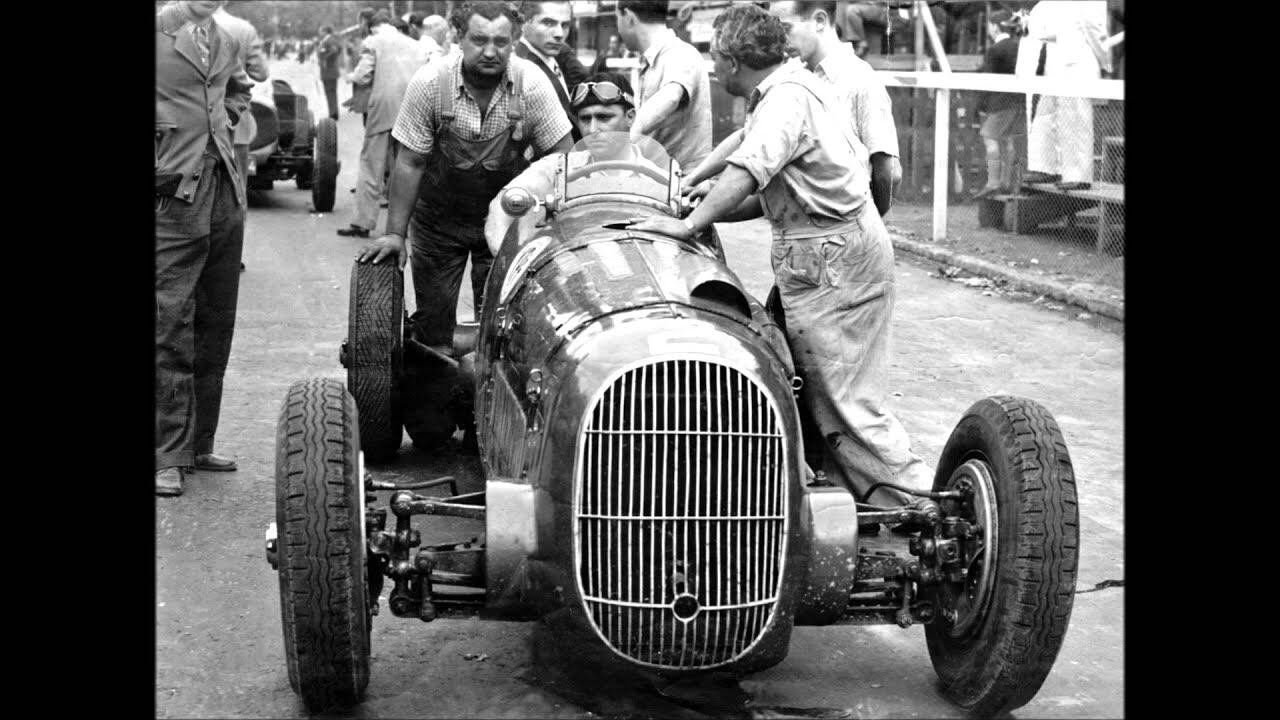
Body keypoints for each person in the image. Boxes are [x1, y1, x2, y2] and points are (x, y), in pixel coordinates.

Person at [628, 3, 934, 525]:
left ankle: (924, 509)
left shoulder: (788, 100)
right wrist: (693, 193)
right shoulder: (785, 87)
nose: (713, 68)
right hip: (825, 252)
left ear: (730, 62)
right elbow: (758, 178)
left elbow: (748, 171)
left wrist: (688, 224)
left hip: (834, 259)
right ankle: (854, 506)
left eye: (715, 59)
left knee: (848, 406)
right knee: (820, 399)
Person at [355, 0, 572, 348]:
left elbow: (563, 158)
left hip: (507, 222)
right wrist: (395, 234)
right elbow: (410, 162)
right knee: (434, 327)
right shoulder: (429, 83)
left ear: (514, 40)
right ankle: (437, 383)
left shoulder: (532, 85)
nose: (490, 51)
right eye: (479, 40)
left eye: (501, 42)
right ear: (458, 37)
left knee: (507, 326)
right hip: (439, 223)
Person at [155, 0, 254, 496]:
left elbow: (238, 89)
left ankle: (198, 443)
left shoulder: (227, 38)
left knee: (216, 320)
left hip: (223, 190)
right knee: (169, 323)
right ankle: (165, 455)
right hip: (169, 196)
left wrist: (223, 126)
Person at [685, 1, 902, 218]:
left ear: (819, 21)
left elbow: (889, 173)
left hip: (843, 230)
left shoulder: (859, 81)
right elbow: (748, 138)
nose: (779, 40)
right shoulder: (794, 72)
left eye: (786, 29)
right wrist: (697, 181)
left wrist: (871, 219)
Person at [485, 72, 659, 253]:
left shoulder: (659, 179)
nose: (592, 129)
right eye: (585, 119)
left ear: (630, 117)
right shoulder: (558, 168)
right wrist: (511, 266)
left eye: (604, 117)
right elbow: (503, 205)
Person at [336, 10, 430, 238]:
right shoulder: (416, 45)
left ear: (369, 25)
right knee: (405, 166)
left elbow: (362, 76)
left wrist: (349, 76)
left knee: (371, 165)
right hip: (411, 109)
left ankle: (362, 223)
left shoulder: (373, 41)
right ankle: (404, 228)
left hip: (382, 111)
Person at [1018, 1, 1110, 188]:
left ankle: (1079, 177)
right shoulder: (1045, 4)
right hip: (1052, 65)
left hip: (1077, 65)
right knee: (1044, 118)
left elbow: (1096, 32)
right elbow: (1037, 30)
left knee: (1075, 121)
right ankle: (1045, 168)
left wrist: (1105, 63)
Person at [616, 0, 712, 172]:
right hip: (660, 181)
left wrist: (627, 140)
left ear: (628, 17)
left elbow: (671, 96)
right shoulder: (654, 60)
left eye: (617, 19)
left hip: (682, 187)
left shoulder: (679, 53)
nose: (617, 29)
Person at [515, 2, 585, 141]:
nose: (559, 34)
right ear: (523, 22)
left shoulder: (547, 57)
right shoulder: (522, 67)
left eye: (565, 25)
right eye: (548, 23)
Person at [973, 9, 1024, 198]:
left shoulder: (995, 50)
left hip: (1000, 104)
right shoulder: (1018, 46)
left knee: (989, 136)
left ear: (994, 27)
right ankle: (1007, 181)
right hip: (1018, 102)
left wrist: (979, 106)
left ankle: (993, 182)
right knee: (1008, 140)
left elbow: (988, 81)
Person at [344, 8, 378, 126]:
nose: (359, 26)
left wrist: (350, 77)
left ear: (364, 22)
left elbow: (363, 74)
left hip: (371, 98)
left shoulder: (369, 41)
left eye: (360, 22)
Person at [317, 25, 343, 120]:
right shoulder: (329, 40)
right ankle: (333, 112)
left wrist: (325, 59)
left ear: (325, 31)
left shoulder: (329, 40)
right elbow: (338, 49)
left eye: (321, 31)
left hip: (329, 71)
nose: (319, 33)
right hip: (329, 71)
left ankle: (333, 114)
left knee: (330, 92)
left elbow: (334, 50)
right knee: (331, 92)